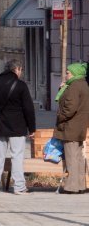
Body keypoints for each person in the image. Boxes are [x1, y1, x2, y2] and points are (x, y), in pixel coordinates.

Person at [0, 59, 36, 194]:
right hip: (18, 126)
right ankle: (19, 187)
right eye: (21, 70)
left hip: (0, 124)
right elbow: (28, 108)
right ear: (17, 69)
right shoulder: (21, 85)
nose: (21, 72)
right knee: (17, 156)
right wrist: (32, 128)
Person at [52, 62, 89, 194]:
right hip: (79, 126)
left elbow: (69, 107)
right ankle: (80, 185)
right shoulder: (83, 84)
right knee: (78, 157)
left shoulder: (74, 86)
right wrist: (62, 90)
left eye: (68, 73)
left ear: (74, 73)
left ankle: (71, 187)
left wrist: (60, 117)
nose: (66, 75)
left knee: (71, 156)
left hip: (71, 126)